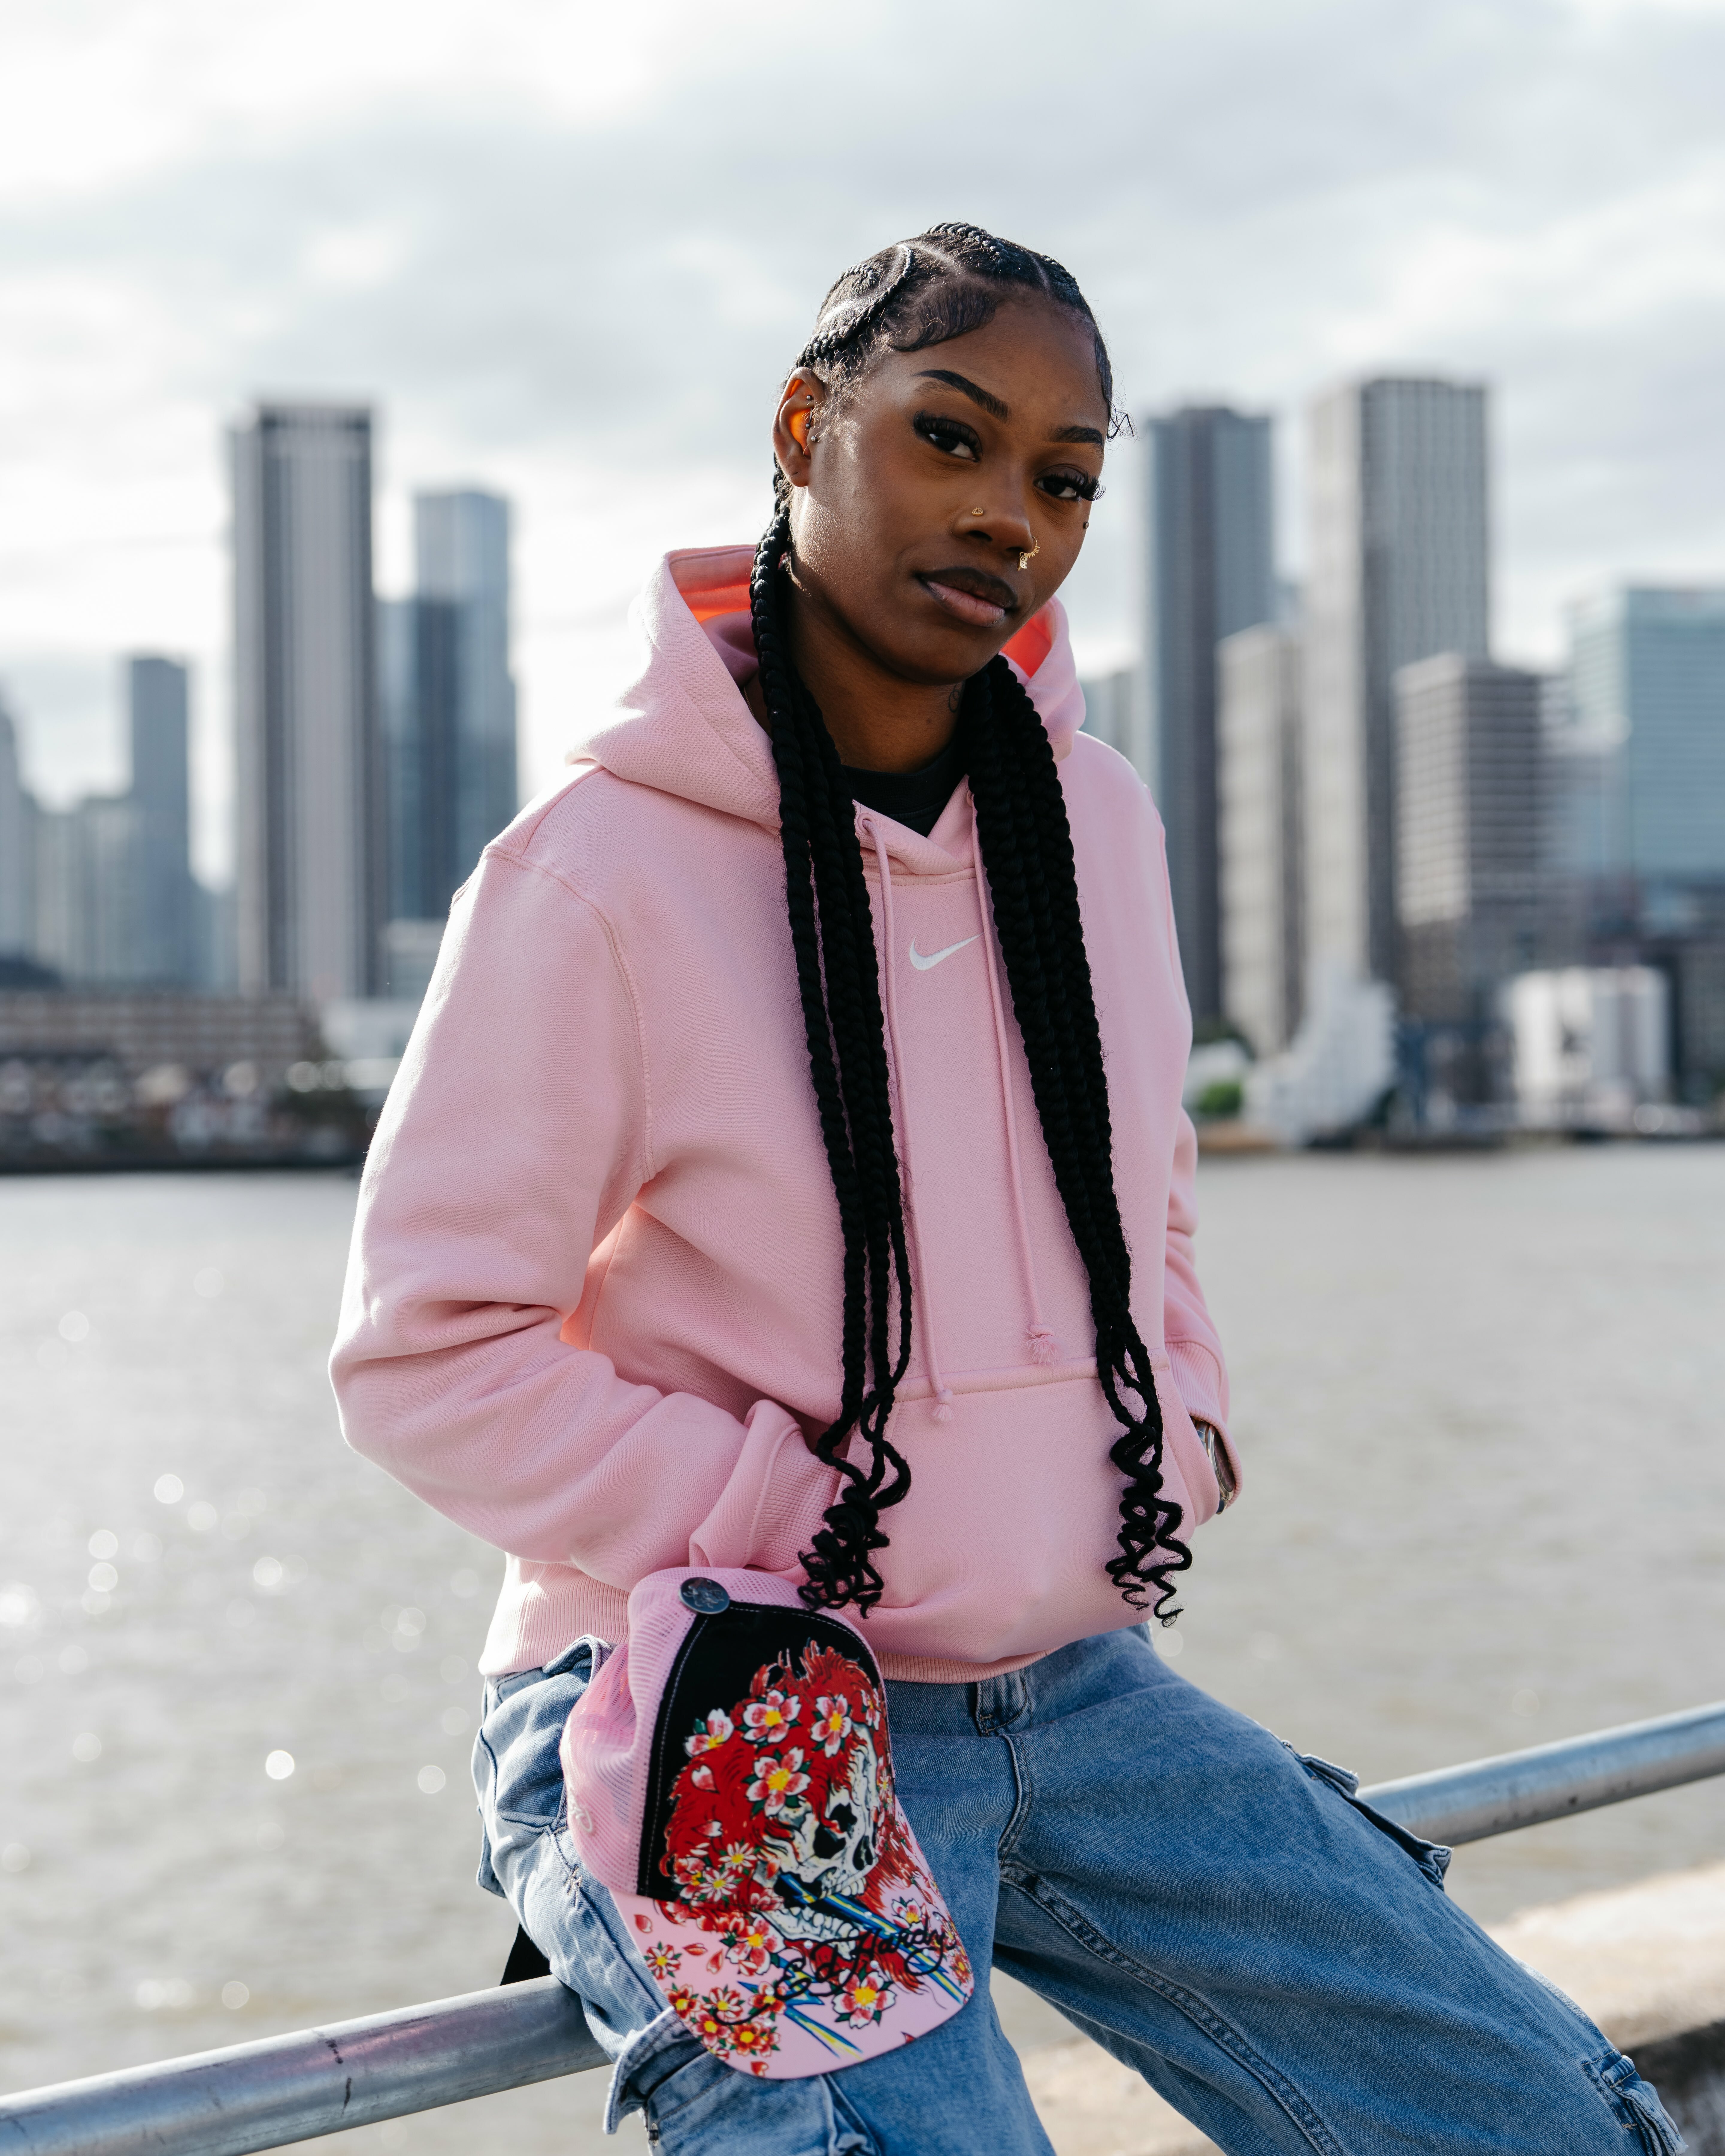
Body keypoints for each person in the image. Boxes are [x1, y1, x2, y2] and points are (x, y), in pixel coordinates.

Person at [330, 225, 1681, 2155]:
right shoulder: (591, 871)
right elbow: (421, 1356)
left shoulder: (1097, 821)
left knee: (1556, 2123)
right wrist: (797, 1523)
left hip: (1073, 1687)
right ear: (808, 427)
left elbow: (1159, 1217)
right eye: (950, 438)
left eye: (1063, 478)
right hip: (718, 1698)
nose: (1008, 517)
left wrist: (1173, 1437)